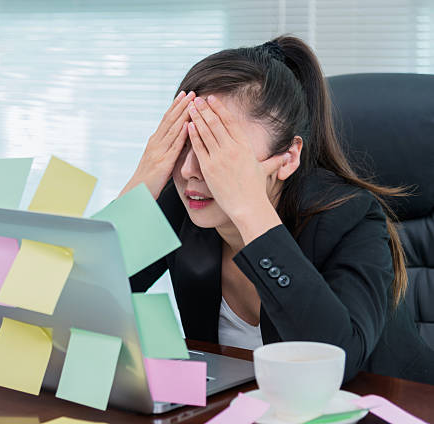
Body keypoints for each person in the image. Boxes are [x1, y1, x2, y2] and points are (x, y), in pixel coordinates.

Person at [124, 35, 434, 384]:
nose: (189, 170)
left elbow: (334, 362)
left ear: (287, 159)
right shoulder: (184, 201)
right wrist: (140, 186)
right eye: (184, 143)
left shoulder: (352, 218)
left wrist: (249, 212)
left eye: (217, 149)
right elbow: (82, 303)